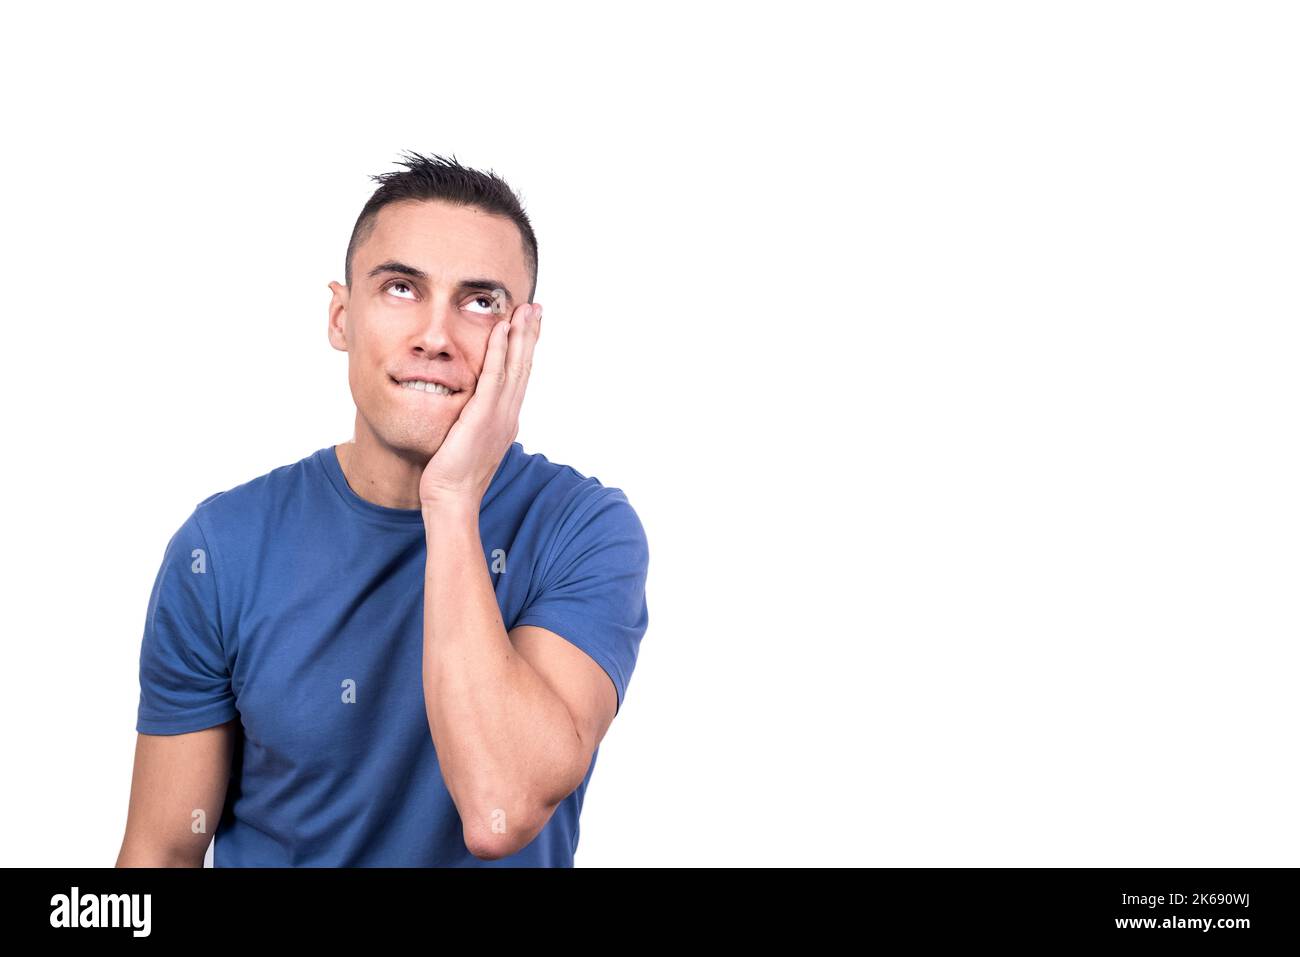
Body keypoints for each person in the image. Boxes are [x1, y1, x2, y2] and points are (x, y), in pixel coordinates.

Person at [115, 151, 651, 867]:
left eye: (481, 301)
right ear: (342, 317)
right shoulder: (223, 547)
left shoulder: (584, 531)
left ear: (522, 340)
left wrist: (453, 499)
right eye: (402, 288)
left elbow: (501, 807)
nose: (435, 335)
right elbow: (160, 853)